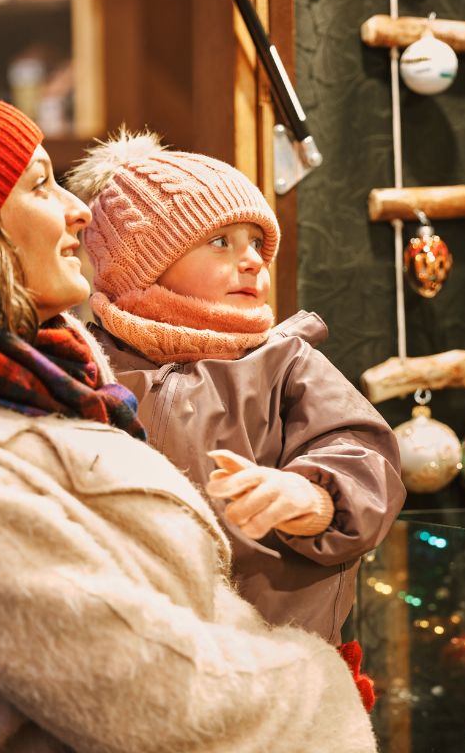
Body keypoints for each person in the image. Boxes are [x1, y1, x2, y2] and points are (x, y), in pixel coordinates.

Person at [0, 84, 376, 753]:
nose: (80, 212)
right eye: (41, 186)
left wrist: (315, 495)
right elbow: (159, 699)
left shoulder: (41, 390)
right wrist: (322, 686)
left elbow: (356, 452)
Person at [64, 131, 405, 646]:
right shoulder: (85, 363)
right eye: (221, 242)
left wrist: (315, 495)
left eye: (257, 245)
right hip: (120, 649)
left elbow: (361, 453)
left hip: (276, 655)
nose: (252, 261)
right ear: (143, 264)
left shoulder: (284, 361)